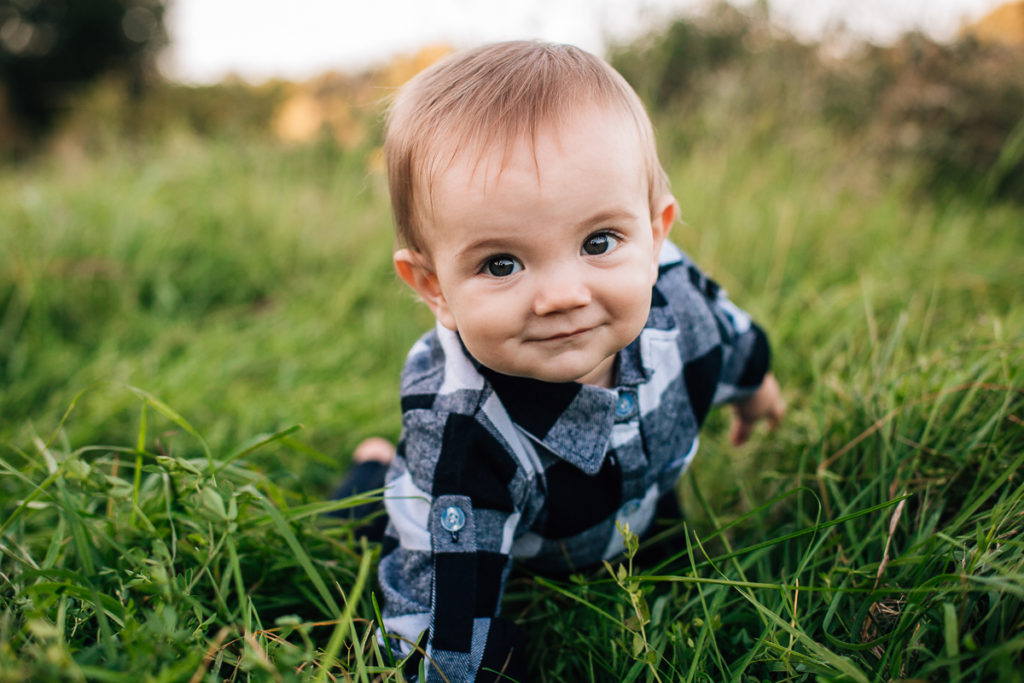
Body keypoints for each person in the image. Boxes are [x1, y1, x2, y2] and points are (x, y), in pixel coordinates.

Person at [340, 40, 785, 681]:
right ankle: (373, 467)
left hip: (632, 511)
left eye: (598, 242)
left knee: (677, 565)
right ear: (434, 286)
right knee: (373, 515)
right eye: (502, 263)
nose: (561, 297)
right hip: (506, 535)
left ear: (656, 236)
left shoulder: (678, 302)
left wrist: (755, 389)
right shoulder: (462, 431)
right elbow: (440, 623)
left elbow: (732, 338)